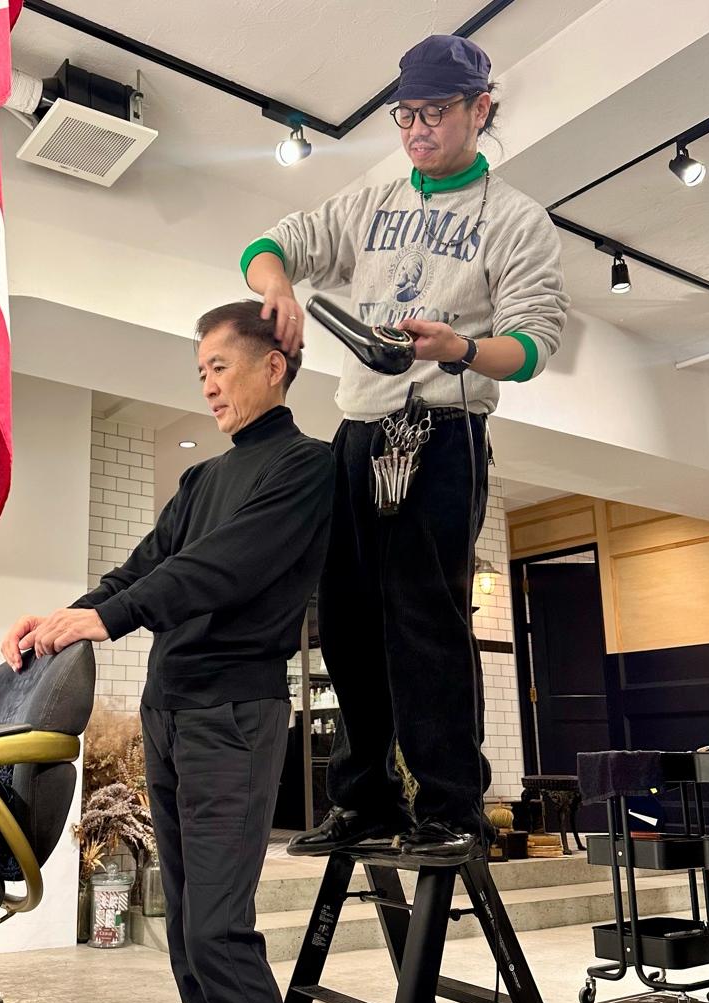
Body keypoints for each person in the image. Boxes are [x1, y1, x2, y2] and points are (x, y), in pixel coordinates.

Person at [241, 34, 569, 864]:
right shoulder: (370, 204)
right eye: (406, 114)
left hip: (445, 431)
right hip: (359, 432)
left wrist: (459, 348)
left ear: (479, 109)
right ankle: (365, 800)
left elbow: (532, 345)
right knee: (348, 621)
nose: (417, 129)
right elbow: (271, 246)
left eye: (435, 112)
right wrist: (278, 288)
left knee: (426, 620)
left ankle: (453, 805)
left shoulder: (516, 220)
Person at [1, 300, 334, 1003]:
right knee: (187, 940)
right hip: (170, 711)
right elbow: (146, 566)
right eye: (201, 372)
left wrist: (109, 619)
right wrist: (66, 618)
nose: (208, 385)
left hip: (233, 714)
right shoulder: (202, 478)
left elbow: (222, 567)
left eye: (220, 367)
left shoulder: (307, 467)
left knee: (219, 935)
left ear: (273, 367)